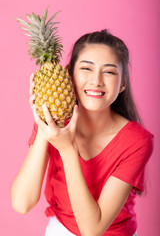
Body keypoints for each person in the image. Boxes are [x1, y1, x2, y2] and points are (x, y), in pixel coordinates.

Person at [11, 30, 154, 236]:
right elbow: (22, 203)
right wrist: (45, 120)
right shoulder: (53, 126)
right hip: (60, 230)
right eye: (86, 68)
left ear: (122, 83)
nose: (96, 81)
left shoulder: (137, 141)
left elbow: (92, 230)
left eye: (109, 72)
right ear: (68, 74)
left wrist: (68, 149)